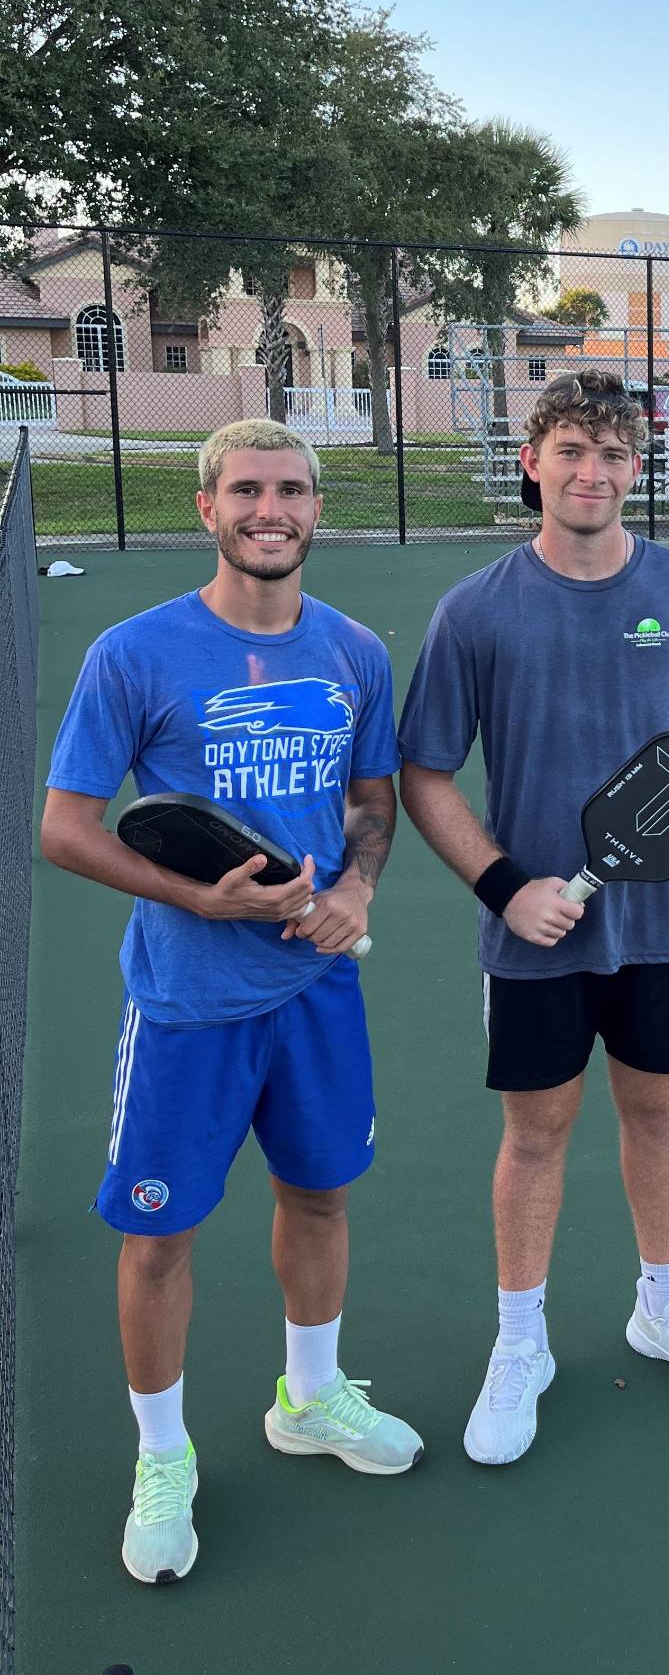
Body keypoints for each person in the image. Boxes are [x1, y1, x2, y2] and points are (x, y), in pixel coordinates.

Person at [41, 418, 421, 1586]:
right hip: (185, 1008)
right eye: (247, 490)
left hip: (318, 990)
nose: (272, 509)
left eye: (292, 490)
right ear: (207, 510)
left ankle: (309, 1398)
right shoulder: (133, 654)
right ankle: (164, 1457)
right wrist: (194, 903)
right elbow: (65, 828)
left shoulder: (355, 650)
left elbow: (373, 799)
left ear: (317, 510)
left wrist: (356, 883)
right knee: (158, 1237)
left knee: (319, 1200)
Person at [398, 370, 669, 1466]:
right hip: (533, 939)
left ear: (637, 471)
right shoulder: (476, 610)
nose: (591, 473)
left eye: (613, 455)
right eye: (571, 452)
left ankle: (664, 1304)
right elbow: (425, 774)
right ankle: (521, 1343)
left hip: (665, 929)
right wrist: (509, 887)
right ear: (532, 464)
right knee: (535, 1136)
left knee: (659, 1118)